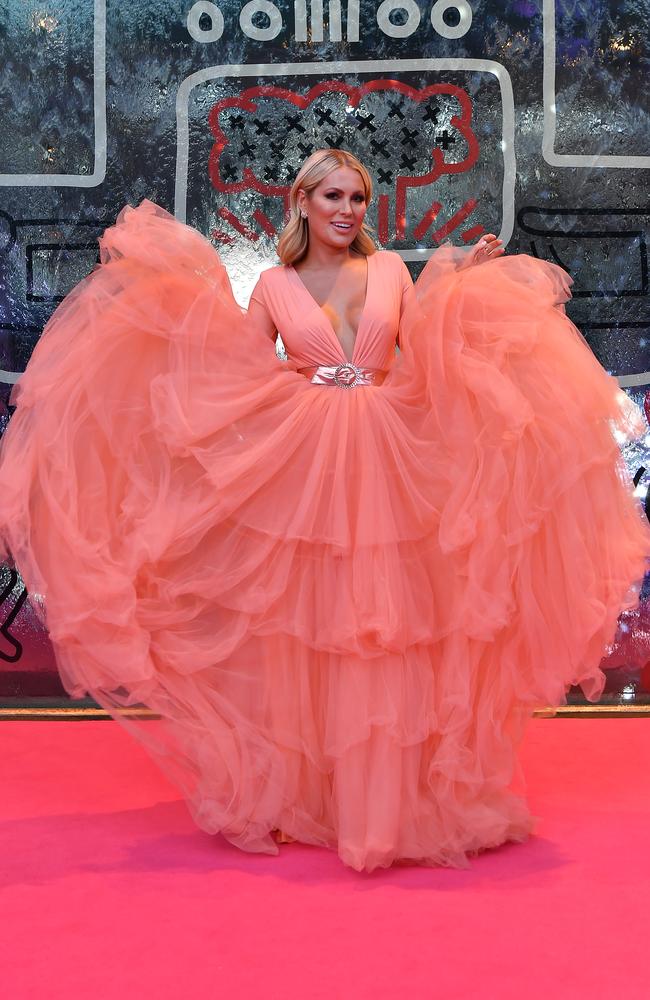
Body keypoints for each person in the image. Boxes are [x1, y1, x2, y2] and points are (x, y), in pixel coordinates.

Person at [0, 148, 647, 872]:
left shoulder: (393, 273)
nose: (347, 211)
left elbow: (429, 351)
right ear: (302, 201)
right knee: (306, 626)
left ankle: (387, 805)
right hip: (304, 465)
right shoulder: (274, 286)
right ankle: (302, 797)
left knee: (384, 627)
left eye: (358, 199)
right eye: (334, 196)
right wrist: (173, 319)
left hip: (387, 457)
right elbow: (232, 370)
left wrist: (464, 290)